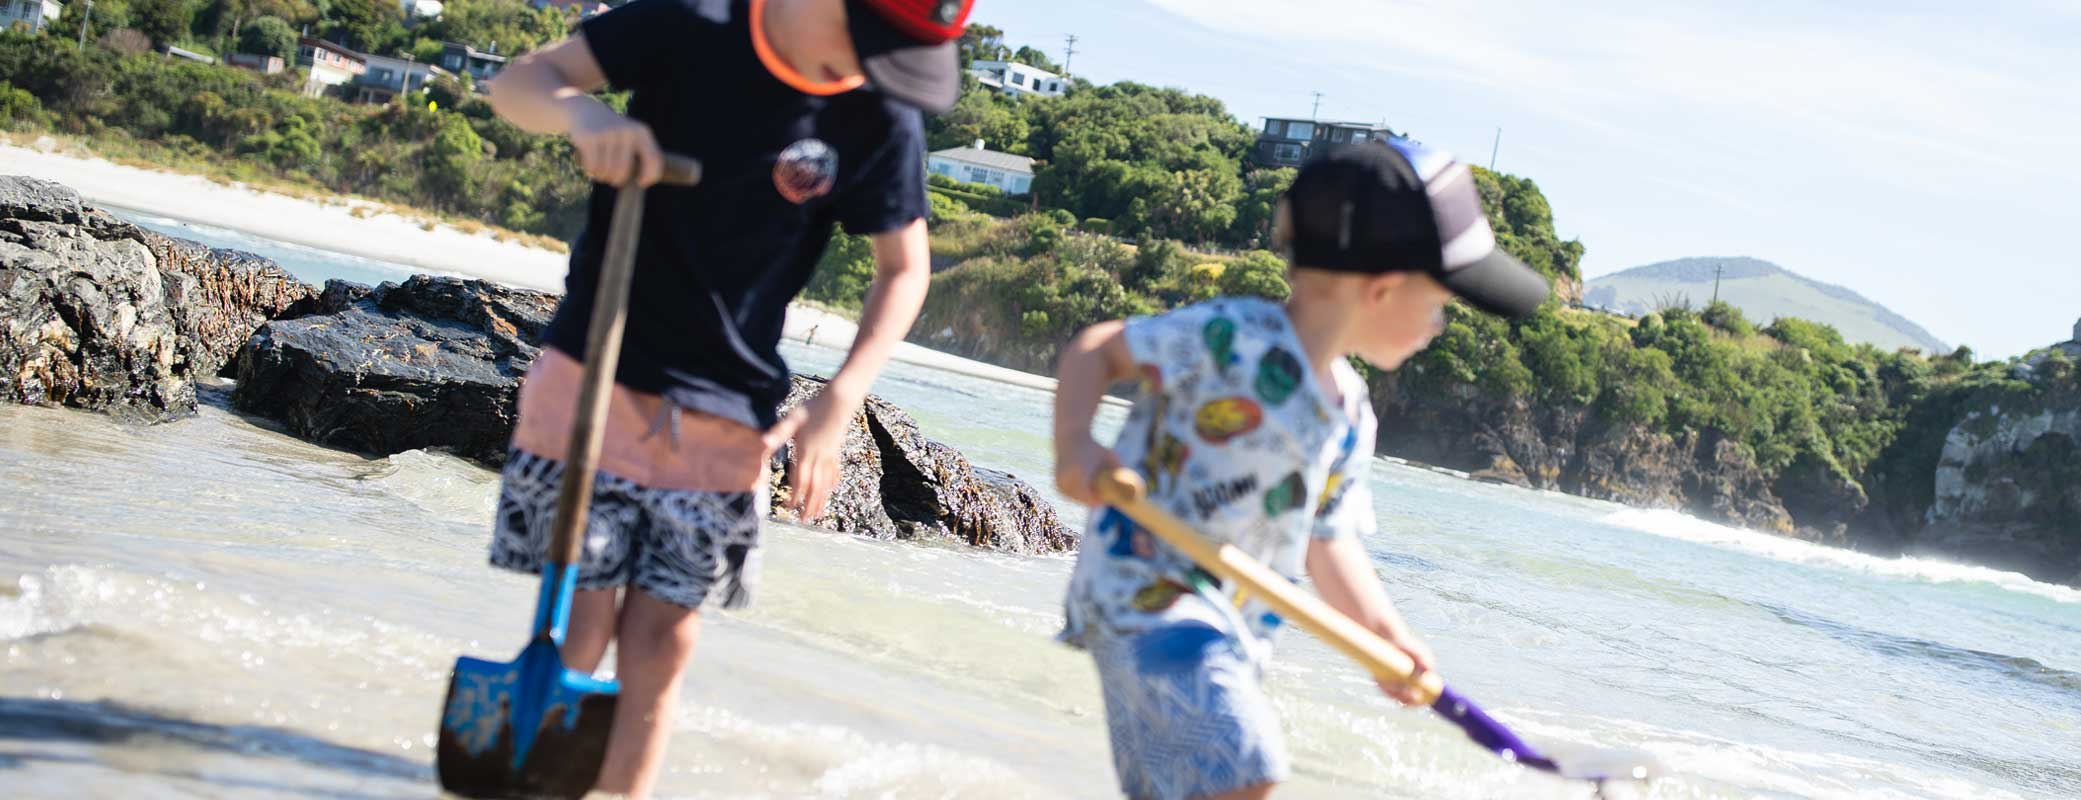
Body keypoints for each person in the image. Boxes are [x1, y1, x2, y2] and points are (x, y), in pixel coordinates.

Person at [479, 0, 974, 794]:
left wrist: (841, 398)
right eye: (872, 41)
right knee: (583, 619)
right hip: (595, 381)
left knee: (665, 640)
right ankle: (534, 785)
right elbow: (518, 82)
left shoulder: (877, 113)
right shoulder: (690, 24)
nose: (873, 69)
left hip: (731, 414)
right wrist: (583, 114)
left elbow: (904, 268)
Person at [1049, 137, 1551, 800]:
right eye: (1440, 305)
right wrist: (1076, 448)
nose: (1439, 326)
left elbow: (1327, 539)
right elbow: (1097, 351)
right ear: (1381, 288)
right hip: (1145, 600)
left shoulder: (1351, 416)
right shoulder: (1227, 337)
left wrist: (1386, 634)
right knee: (1249, 769)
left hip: (1229, 629)